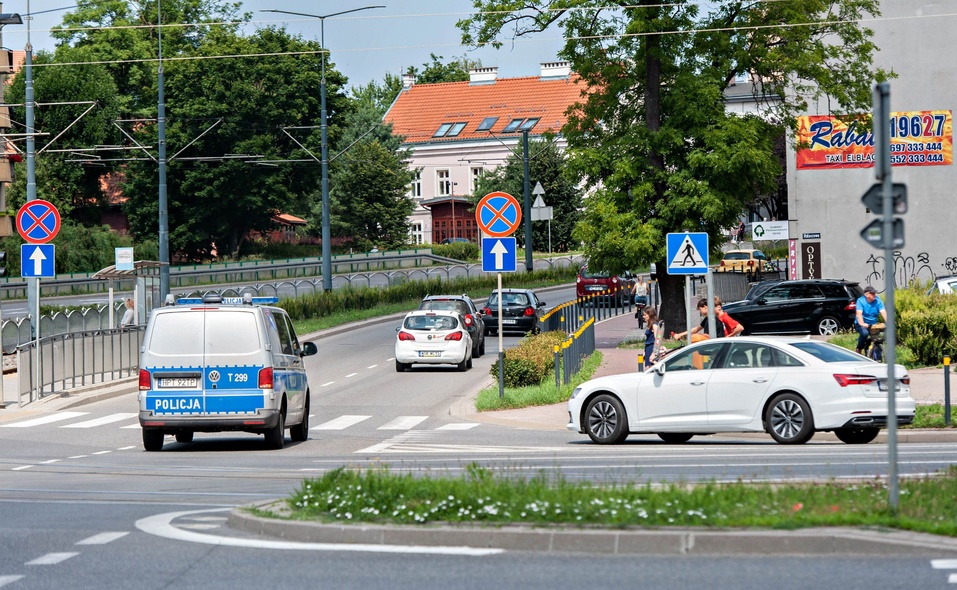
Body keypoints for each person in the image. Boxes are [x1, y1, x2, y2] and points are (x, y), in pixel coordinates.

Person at [855, 285, 887, 355]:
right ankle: (859, 349)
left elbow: (883, 312)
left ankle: (878, 354)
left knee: (878, 338)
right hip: (861, 324)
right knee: (865, 333)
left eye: (875, 293)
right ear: (866, 294)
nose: (874, 295)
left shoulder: (878, 300)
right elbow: (859, 314)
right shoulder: (860, 301)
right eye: (872, 293)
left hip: (873, 324)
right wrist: (862, 324)